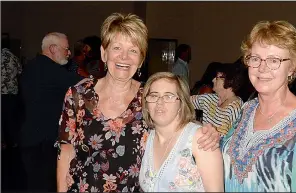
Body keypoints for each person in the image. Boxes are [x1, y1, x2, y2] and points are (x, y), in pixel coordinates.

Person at [55, 12, 220, 192]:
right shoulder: (78, 94)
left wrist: (207, 132)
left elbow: (178, 127)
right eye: (117, 48)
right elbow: (66, 152)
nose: (124, 57)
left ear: (141, 59)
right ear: (104, 53)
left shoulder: (149, 96)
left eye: (133, 50)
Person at [221, 20, 296, 192]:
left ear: (292, 67)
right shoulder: (246, 110)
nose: (262, 68)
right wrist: (212, 138)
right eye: (255, 58)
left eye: (274, 60)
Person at [19, 32, 83, 191]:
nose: (69, 54)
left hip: (30, 137)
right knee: (46, 186)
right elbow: (85, 84)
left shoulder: (32, 66)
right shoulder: (50, 69)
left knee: (35, 185)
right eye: (66, 49)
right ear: (53, 48)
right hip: (44, 142)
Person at [139, 72, 224, 192]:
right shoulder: (146, 138)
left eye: (168, 96)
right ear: (146, 103)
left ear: (181, 103)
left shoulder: (201, 139)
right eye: (153, 96)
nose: (159, 102)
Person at [191, 63, 245, 136]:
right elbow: (184, 101)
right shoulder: (210, 99)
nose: (213, 80)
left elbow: (234, 140)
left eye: (217, 77)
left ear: (228, 80)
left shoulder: (236, 109)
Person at [1, 34, 22, 148]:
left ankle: (2, 141)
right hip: (11, 94)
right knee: (11, 119)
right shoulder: (14, 57)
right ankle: (12, 142)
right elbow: (20, 73)